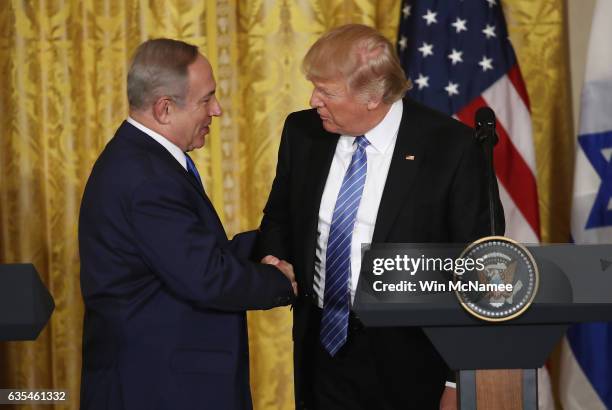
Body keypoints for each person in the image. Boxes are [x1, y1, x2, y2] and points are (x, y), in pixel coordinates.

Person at [255, 24, 504, 410]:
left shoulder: (450, 148)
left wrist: (457, 380)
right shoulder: (303, 132)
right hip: (320, 346)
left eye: (327, 91)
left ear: (373, 97)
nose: (313, 99)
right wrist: (276, 259)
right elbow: (280, 216)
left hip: (412, 358)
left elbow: (480, 268)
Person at [79, 38, 296, 410]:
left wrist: (266, 244)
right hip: (159, 389)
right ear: (164, 108)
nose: (218, 110)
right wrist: (281, 282)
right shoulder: (146, 176)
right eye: (206, 99)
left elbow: (179, 257)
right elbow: (205, 278)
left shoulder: (141, 160)